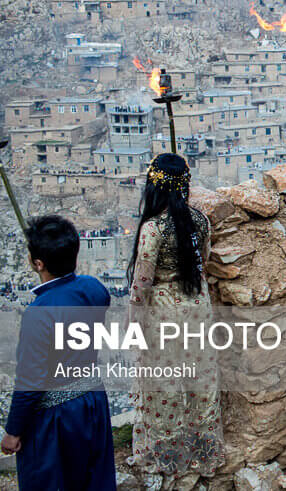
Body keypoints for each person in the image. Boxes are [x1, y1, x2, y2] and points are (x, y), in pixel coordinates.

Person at [127, 153, 224, 479]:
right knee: (200, 381)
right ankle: (203, 456)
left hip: (164, 316)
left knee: (166, 386)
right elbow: (205, 261)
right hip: (197, 309)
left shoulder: (153, 229)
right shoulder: (200, 221)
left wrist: (134, 322)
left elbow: (142, 282)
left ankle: (169, 458)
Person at [1, 216, 116, 490]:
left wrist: (13, 431)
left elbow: (30, 381)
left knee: (53, 480)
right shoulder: (94, 289)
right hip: (93, 402)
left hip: (57, 416)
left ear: (38, 263)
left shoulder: (39, 313)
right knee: (92, 479)